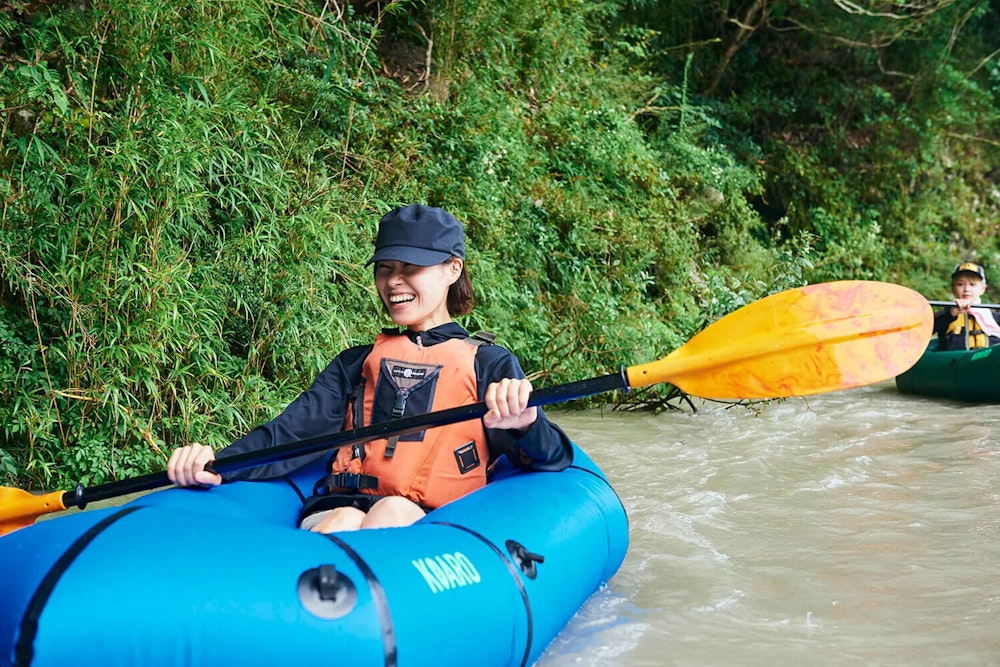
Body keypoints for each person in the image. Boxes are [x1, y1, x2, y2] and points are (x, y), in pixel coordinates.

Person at [167, 204, 573, 531]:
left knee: (392, 512)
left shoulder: (490, 363)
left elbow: (546, 456)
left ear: (453, 269)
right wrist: (216, 463)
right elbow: (289, 434)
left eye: (410, 268)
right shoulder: (356, 363)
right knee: (345, 519)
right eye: (385, 269)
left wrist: (523, 424)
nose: (393, 282)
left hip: (429, 519)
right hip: (339, 504)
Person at [932, 261, 1000, 350]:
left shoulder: (994, 317)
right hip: (956, 362)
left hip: (988, 363)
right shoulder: (946, 315)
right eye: (960, 284)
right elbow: (927, 329)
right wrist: (951, 313)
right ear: (953, 288)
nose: (967, 289)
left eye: (972, 284)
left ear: (983, 289)